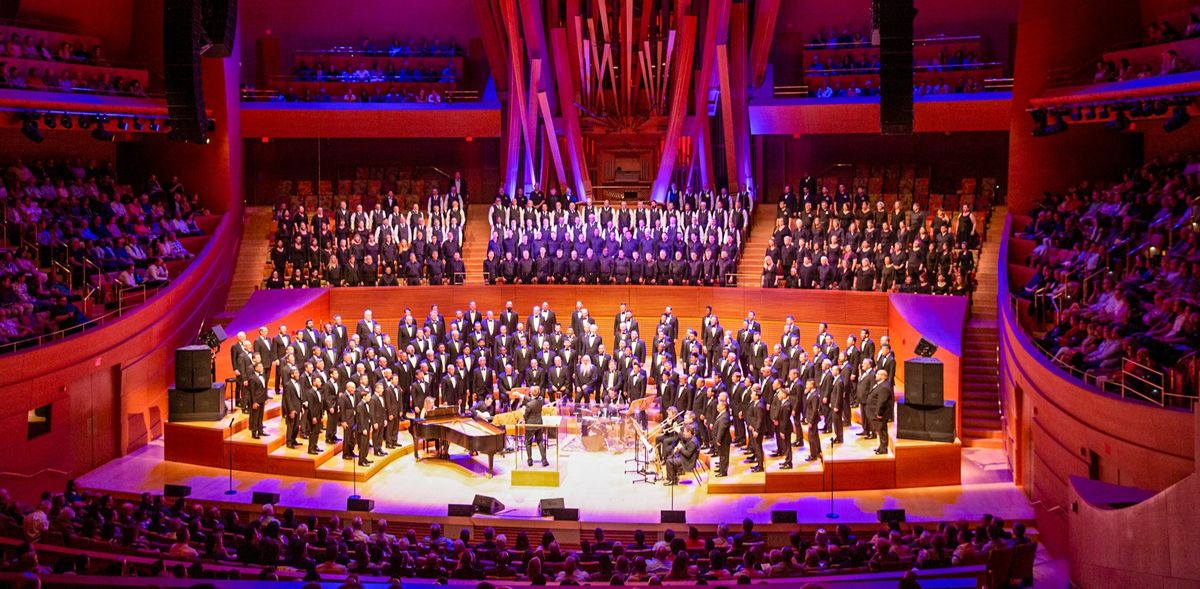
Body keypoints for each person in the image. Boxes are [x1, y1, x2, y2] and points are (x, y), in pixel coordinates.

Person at [519, 387, 549, 467]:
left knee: (528, 443)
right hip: (539, 424)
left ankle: (529, 460)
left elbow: (526, 416)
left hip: (530, 425)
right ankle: (544, 459)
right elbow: (532, 400)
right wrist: (521, 395)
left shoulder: (528, 405)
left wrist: (523, 412)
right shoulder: (541, 400)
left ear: (531, 393)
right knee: (540, 441)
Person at [867, 369, 895, 454]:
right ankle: (881, 447)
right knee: (880, 430)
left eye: (878, 374)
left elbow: (882, 401)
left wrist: (879, 413)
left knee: (882, 431)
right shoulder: (880, 385)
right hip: (876, 413)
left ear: (883, 376)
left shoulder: (884, 387)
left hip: (881, 414)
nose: (876, 375)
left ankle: (883, 449)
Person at [245, 362, 268, 439]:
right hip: (256, 400)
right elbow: (252, 391)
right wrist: (254, 402)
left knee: (260, 416)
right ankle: (254, 432)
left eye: (262, 366)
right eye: (260, 366)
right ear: (256, 368)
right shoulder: (252, 378)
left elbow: (264, 388)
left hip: (262, 399)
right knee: (255, 417)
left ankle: (260, 430)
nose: (262, 367)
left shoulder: (263, 375)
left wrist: (265, 398)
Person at [772, 387, 794, 469]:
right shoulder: (784, 403)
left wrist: (782, 431)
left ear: (784, 395)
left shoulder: (786, 405)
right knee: (785, 445)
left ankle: (789, 463)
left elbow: (784, 420)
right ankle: (787, 460)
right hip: (785, 427)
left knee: (787, 445)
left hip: (786, 429)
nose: (778, 395)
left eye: (780, 393)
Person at [711, 397, 732, 477]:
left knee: (724, 456)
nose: (717, 407)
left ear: (723, 407)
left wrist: (718, 440)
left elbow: (721, 429)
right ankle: (721, 468)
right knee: (721, 455)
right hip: (721, 440)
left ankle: (723, 472)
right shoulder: (722, 415)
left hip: (723, 440)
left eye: (718, 406)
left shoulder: (724, 416)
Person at [803, 379, 822, 462]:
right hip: (811, 417)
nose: (806, 386)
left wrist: (811, 421)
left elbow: (814, 410)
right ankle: (818, 450)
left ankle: (813, 455)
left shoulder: (814, 395)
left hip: (813, 419)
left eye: (807, 384)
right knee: (815, 435)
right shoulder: (810, 393)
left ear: (812, 385)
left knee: (811, 437)